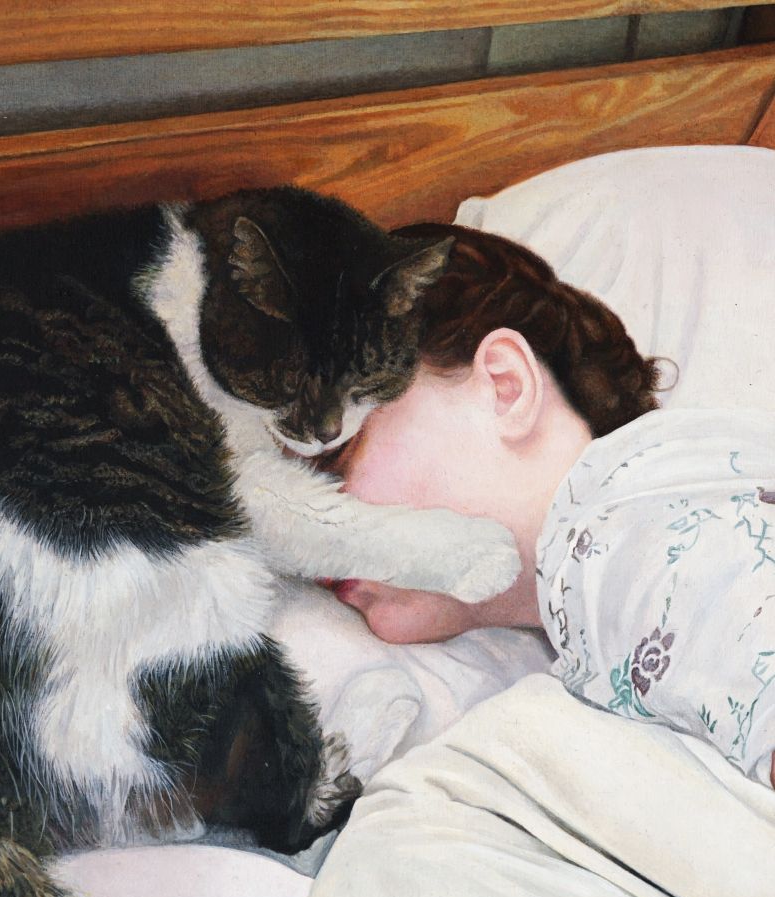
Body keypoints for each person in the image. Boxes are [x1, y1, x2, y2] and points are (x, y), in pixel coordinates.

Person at [317, 224, 775, 789]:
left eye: (335, 456)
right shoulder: (615, 549)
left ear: (505, 386)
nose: (306, 527)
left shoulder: (634, 534)